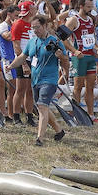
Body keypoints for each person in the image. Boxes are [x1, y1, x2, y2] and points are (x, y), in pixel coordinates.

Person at [8, 12, 70, 146]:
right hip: (35, 80)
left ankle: (39, 139)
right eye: (33, 28)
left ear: (45, 26)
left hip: (49, 79)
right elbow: (22, 57)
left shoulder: (54, 41)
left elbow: (66, 59)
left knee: (42, 106)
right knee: (44, 107)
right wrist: (11, 66)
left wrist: (60, 56)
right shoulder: (32, 42)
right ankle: (59, 131)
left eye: (37, 27)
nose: (35, 30)